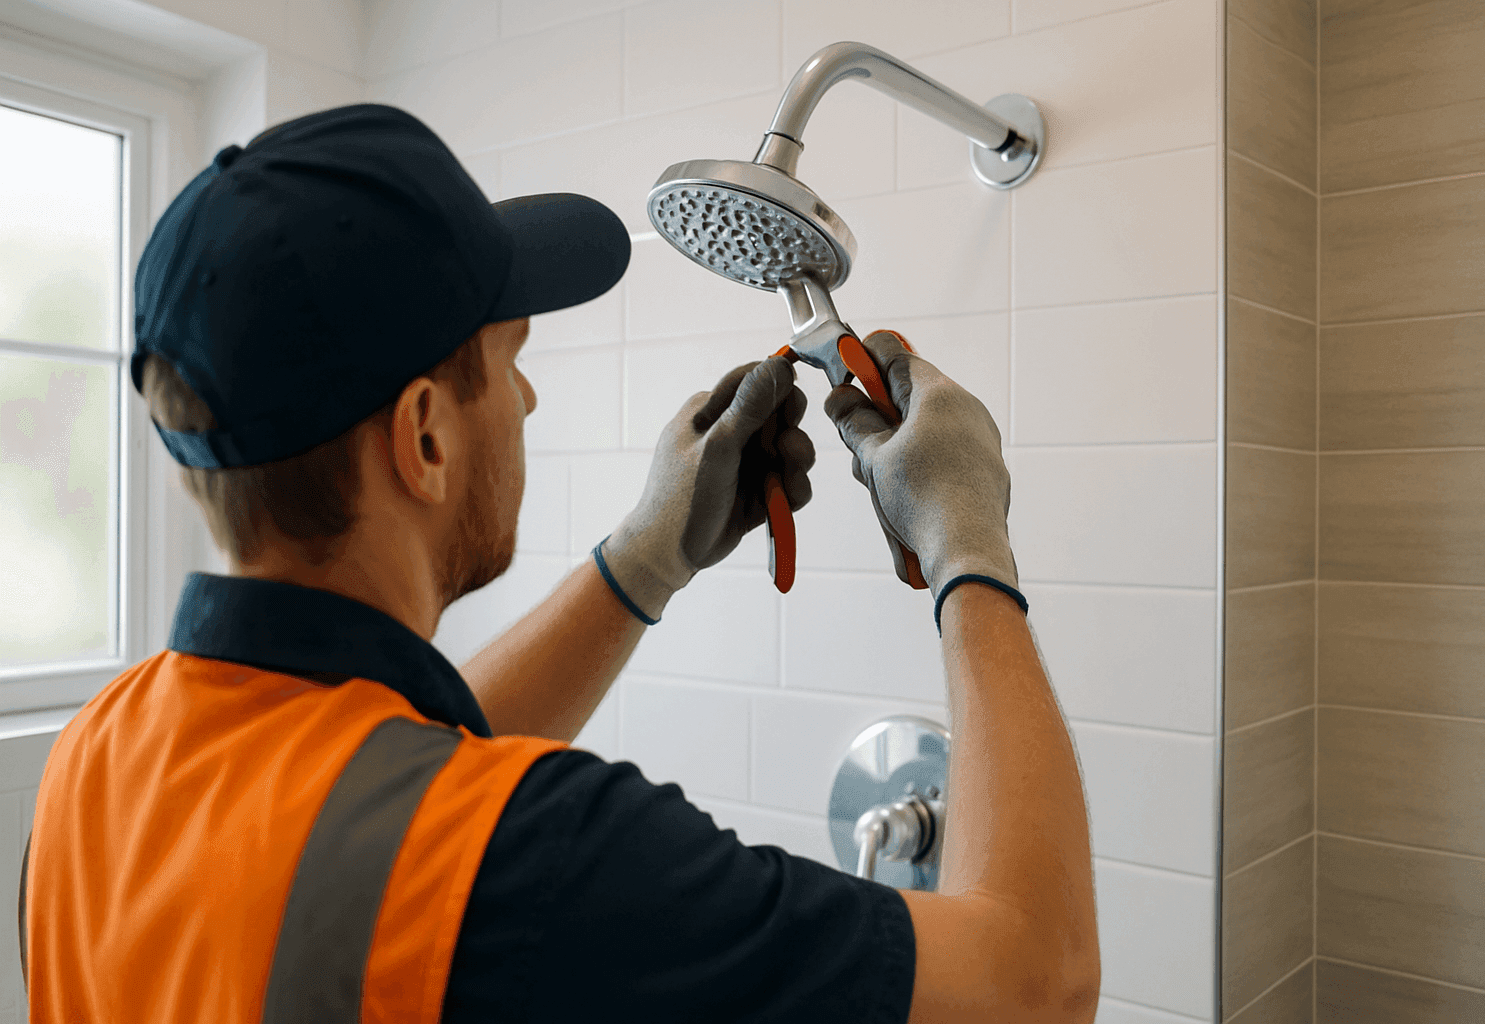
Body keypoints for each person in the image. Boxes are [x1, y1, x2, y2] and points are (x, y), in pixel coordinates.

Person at [21, 104, 1099, 1022]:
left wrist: (645, 558)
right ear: (426, 437)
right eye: (511, 363)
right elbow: (1034, 980)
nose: (529, 401)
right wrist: (970, 546)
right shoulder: (540, 854)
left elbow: (382, 794)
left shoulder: (97, 760)